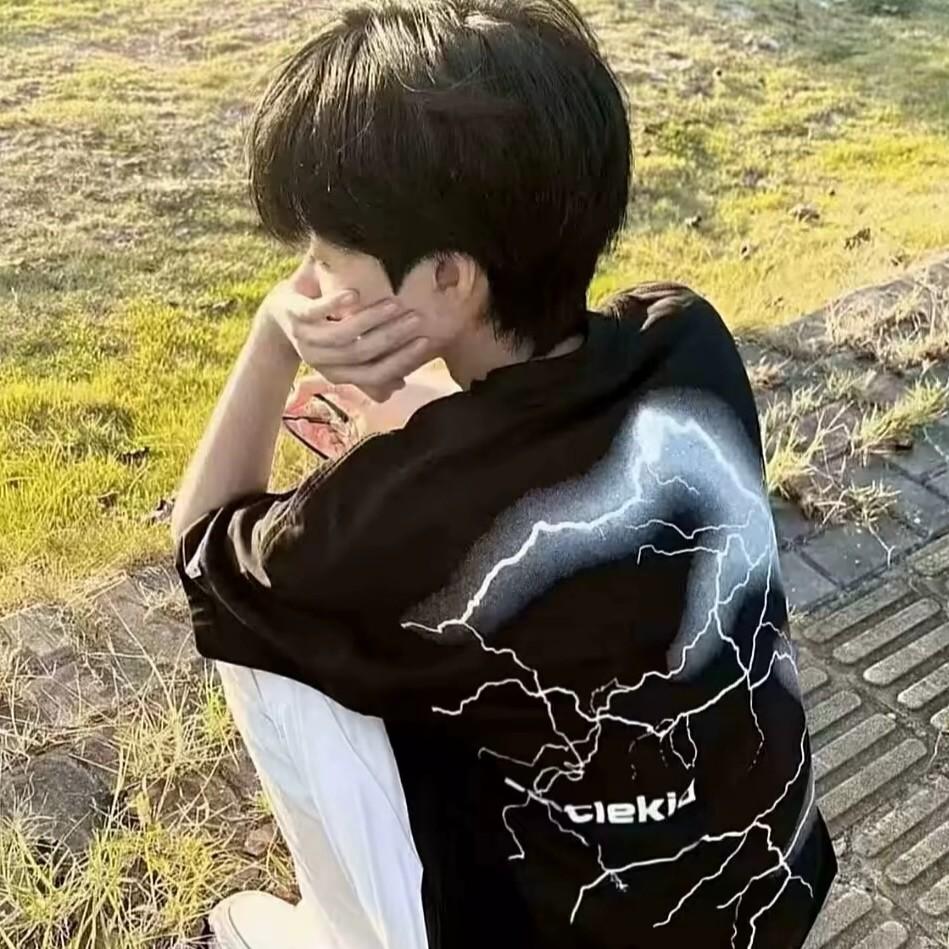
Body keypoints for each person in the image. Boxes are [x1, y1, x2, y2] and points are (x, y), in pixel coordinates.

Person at [170, 1, 838, 946]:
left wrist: (273, 337)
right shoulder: (688, 338)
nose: (310, 284)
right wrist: (435, 416)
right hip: (771, 884)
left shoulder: (402, 512)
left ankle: (335, 927)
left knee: (267, 640)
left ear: (449, 276)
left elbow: (200, 544)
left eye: (323, 257)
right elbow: (545, 423)